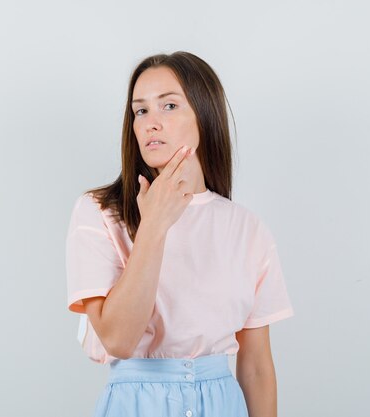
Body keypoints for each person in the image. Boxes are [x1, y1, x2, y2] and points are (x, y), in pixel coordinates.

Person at [65, 51, 295, 417]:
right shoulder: (99, 212)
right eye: (140, 111)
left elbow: (256, 368)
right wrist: (154, 224)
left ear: (204, 116)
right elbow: (119, 339)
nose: (150, 123)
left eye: (169, 106)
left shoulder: (247, 229)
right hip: (135, 405)